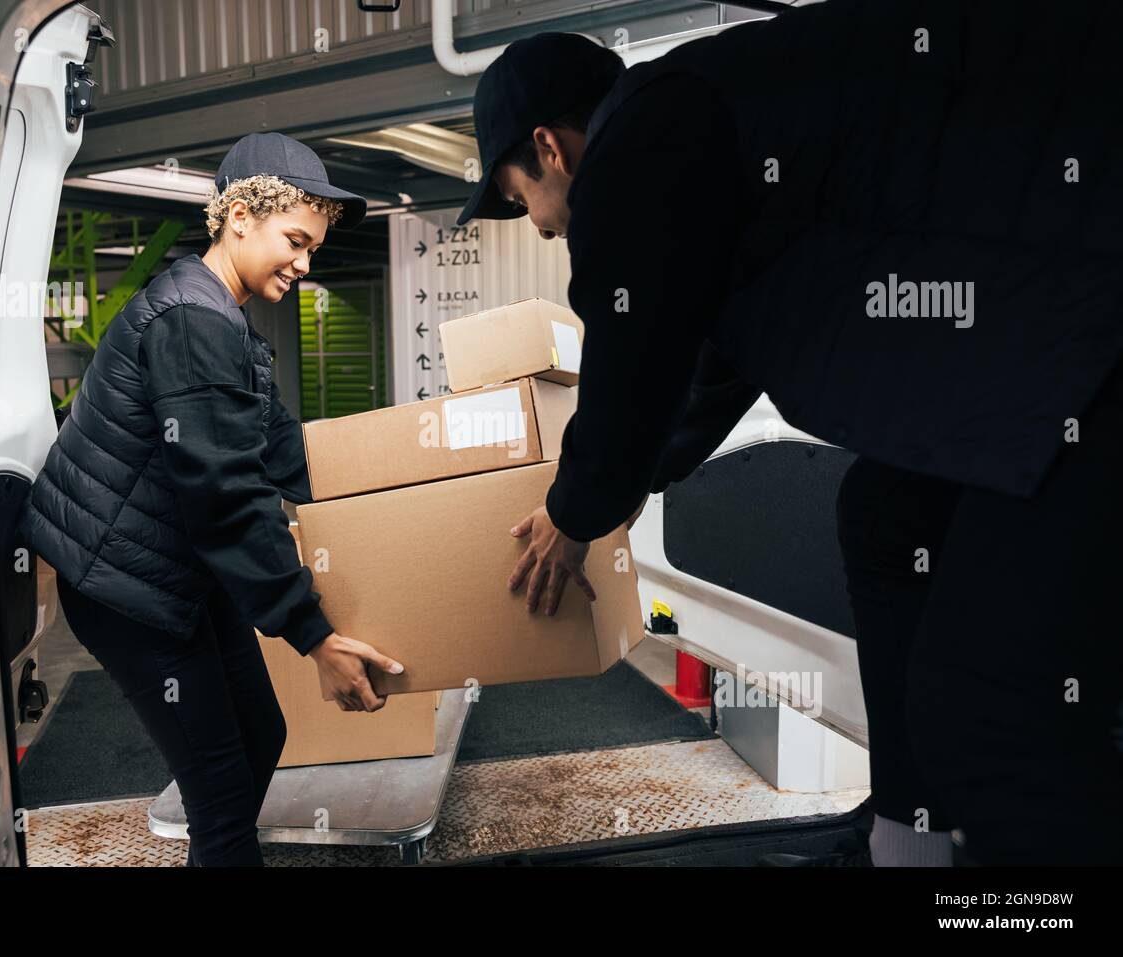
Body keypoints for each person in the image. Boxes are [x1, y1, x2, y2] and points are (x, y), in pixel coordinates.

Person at [458, 2, 1123, 866]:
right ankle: (904, 838)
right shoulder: (713, 124)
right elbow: (701, 373)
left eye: (524, 200)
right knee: (882, 514)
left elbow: (636, 362)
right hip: (1048, 327)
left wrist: (574, 513)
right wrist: (603, 499)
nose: (544, 227)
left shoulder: (642, 138)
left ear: (550, 147)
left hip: (1084, 338)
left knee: (991, 706)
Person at [19, 133, 403, 867]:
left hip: (176, 565)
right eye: (295, 240)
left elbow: (279, 448)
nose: (305, 263)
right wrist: (315, 636)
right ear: (238, 218)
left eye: (314, 248)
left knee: (261, 734)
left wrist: (398, 487)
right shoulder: (192, 320)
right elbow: (226, 497)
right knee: (224, 798)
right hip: (126, 586)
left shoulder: (220, 315)